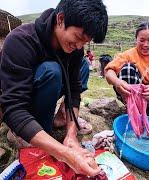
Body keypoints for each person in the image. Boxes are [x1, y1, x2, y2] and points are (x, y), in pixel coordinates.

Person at [0, 0, 108, 176]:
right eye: (79, 37)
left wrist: (71, 136)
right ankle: (23, 133)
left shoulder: (75, 50)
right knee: (52, 71)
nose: (80, 46)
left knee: (81, 67)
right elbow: (14, 108)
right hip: (19, 104)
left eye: (85, 42)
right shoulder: (20, 41)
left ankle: (60, 119)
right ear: (60, 19)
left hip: (44, 89)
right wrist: (66, 155)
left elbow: (74, 91)